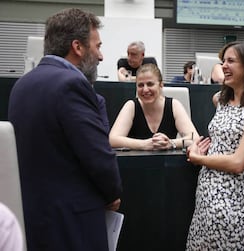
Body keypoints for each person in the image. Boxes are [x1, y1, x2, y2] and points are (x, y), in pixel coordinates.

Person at [8, 8, 122, 251]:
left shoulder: (22, 85)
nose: (101, 56)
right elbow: (98, 155)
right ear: (78, 47)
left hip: (34, 220)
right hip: (74, 225)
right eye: (97, 46)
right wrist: (112, 192)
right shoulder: (72, 85)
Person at [185, 41, 244, 250]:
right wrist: (200, 147)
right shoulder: (220, 100)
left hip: (229, 199)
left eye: (231, 61)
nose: (224, 65)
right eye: (223, 61)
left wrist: (199, 158)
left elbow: (238, 162)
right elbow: (223, 137)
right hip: (205, 193)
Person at [109, 63, 199, 150]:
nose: (145, 89)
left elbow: (195, 139)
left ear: (161, 85)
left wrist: (171, 143)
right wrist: (144, 144)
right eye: (140, 85)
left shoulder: (174, 105)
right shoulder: (131, 106)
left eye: (150, 84)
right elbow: (113, 140)